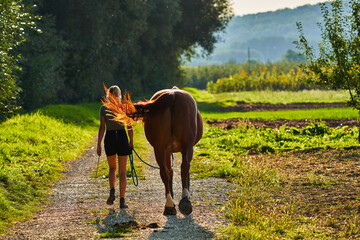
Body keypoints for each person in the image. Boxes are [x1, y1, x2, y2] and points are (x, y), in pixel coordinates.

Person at [97, 85, 134, 209]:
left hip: (110, 138)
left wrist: (98, 145)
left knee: (112, 168)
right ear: (118, 95)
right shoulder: (123, 107)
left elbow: (102, 127)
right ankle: (122, 201)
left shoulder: (103, 108)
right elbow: (129, 126)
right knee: (122, 172)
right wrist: (131, 142)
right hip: (122, 137)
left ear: (109, 95)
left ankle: (112, 190)